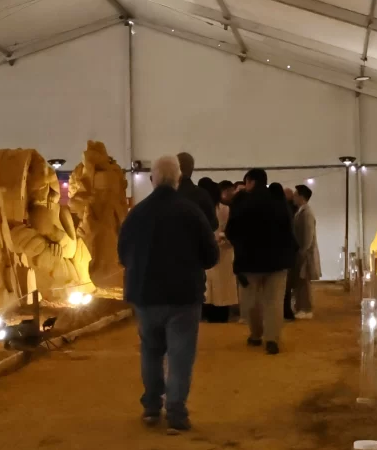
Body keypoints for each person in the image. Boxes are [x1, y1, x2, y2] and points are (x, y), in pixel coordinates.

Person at [118, 156, 218, 432]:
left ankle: (151, 407)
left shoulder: (136, 214)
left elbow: (122, 254)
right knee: (180, 355)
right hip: (183, 296)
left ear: (153, 179)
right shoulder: (191, 211)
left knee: (150, 351)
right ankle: (175, 413)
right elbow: (211, 255)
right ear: (177, 179)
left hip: (145, 295)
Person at [226, 169, 299, 354]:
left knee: (251, 302)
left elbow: (231, 231)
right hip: (278, 261)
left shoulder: (242, 202)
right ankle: (272, 339)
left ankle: (256, 335)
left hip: (249, 261)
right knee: (274, 301)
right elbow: (289, 230)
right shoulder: (278, 201)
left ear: (249, 181)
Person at [203, 182, 240, 323]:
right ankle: (221, 314)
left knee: (210, 285)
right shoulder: (226, 209)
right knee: (222, 286)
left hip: (210, 249)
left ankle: (210, 313)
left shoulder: (203, 209)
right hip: (223, 249)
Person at [288, 183, 321, 320]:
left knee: (304, 283)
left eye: (295, 195)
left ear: (301, 196)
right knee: (301, 282)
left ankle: (306, 308)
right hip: (302, 252)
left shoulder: (306, 213)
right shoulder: (301, 211)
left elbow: (308, 235)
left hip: (305, 254)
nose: (293, 197)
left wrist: (302, 252)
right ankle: (301, 306)